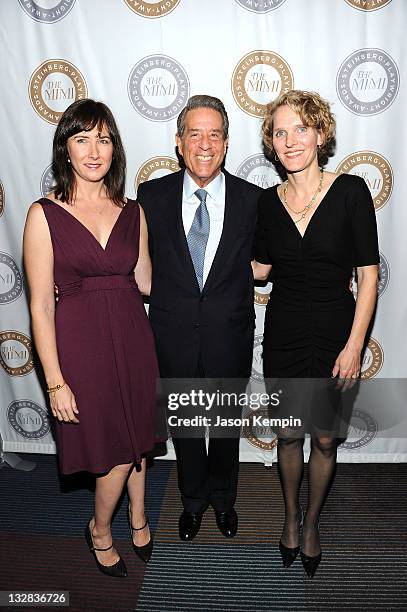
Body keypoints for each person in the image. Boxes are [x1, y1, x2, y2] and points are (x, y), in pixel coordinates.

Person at [23, 99, 161, 577]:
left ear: (115, 149)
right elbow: (40, 305)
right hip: (82, 344)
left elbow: (145, 281)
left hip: (133, 335)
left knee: (139, 437)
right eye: (82, 138)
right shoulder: (44, 214)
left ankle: (139, 517)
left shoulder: (133, 211)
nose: (94, 149)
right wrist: (55, 382)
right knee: (113, 453)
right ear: (65, 149)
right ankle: (100, 528)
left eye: (104, 139)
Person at [252, 90, 379, 578]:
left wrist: (353, 348)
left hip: (334, 335)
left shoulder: (350, 192)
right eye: (280, 132)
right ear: (271, 143)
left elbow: (367, 277)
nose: (290, 140)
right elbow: (260, 270)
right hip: (283, 332)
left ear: (320, 135)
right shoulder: (266, 202)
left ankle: (311, 523)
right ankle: (288, 516)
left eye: (300, 129)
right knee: (288, 435)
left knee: (324, 439)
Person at [137, 95, 262, 541]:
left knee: (226, 428)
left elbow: (266, 263)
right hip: (172, 335)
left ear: (226, 145)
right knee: (187, 429)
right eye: (195, 133)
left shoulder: (254, 201)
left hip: (229, 335)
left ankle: (224, 500)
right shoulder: (150, 196)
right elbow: (135, 264)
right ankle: (192, 500)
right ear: (179, 141)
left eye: (214, 135)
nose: (204, 144)